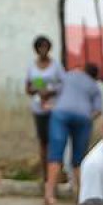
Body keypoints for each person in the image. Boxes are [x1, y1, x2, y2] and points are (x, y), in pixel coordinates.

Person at [47, 59, 103, 205]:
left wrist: (48, 103)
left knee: (55, 155)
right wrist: (87, 118)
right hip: (83, 117)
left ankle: (49, 195)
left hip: (60, 114)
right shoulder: (95, 87)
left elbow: (53, 89)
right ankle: (81, 196)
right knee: (79, 159)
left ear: (83, 68)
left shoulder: (69, 75)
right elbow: (98, 110)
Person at [27, 35, 61, 182]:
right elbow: (28, 88)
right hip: (39, 108)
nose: (43, 50)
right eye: (40, 47)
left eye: (45, 47)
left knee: (55, 140)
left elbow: (63, 84)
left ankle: (56, 174)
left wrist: (50, 92)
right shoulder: (32, 67)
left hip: (54, 107)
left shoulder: (56, 66)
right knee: (43, 142)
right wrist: (37, 91)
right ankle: (45, 174)